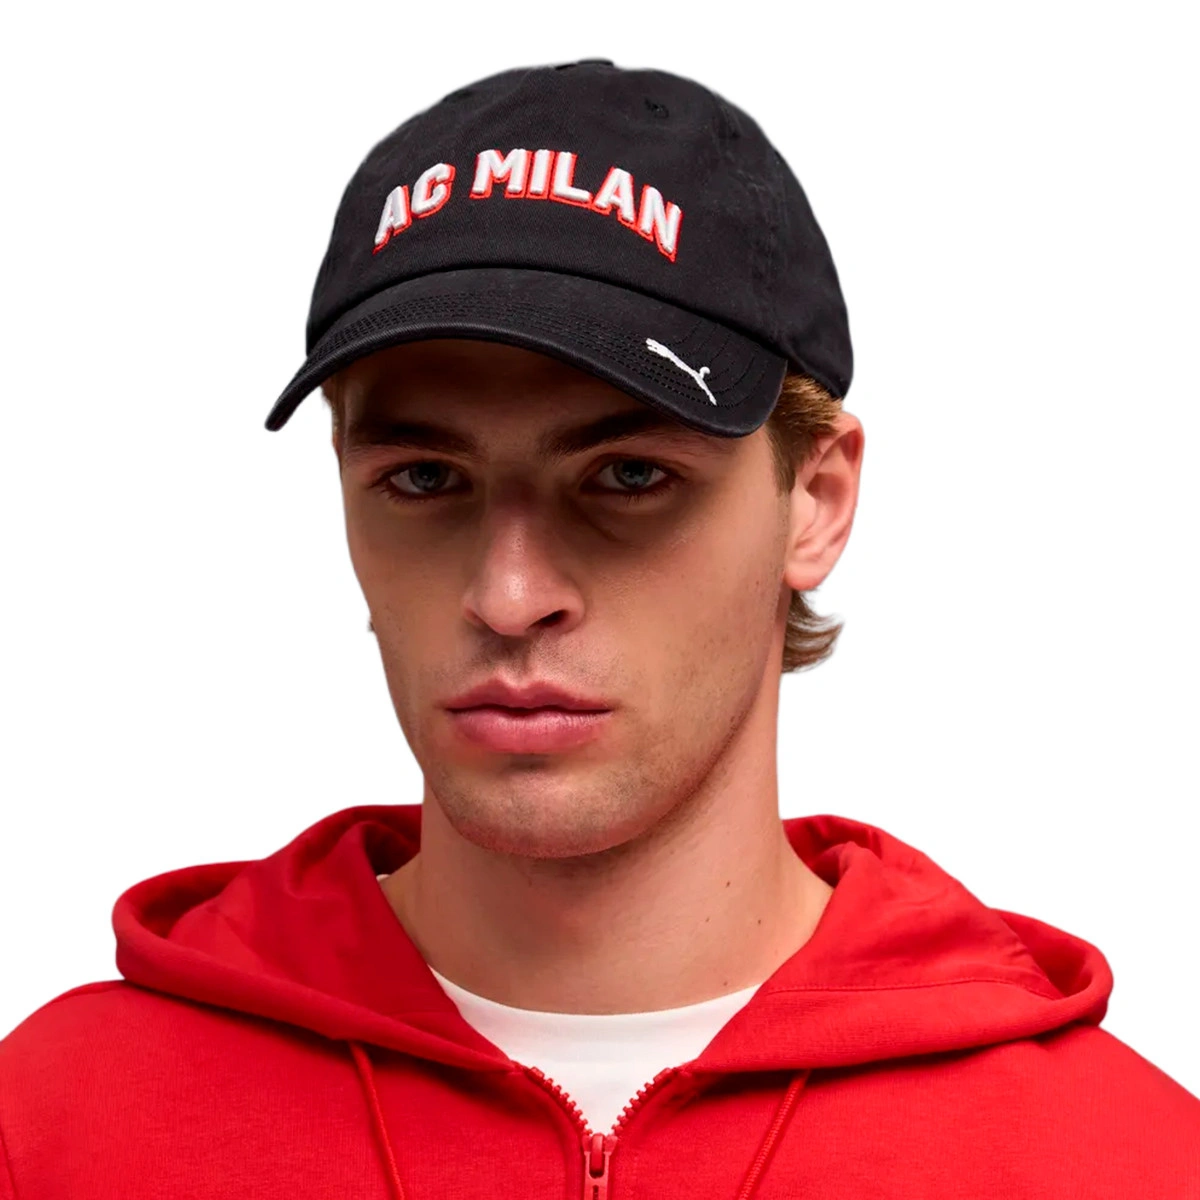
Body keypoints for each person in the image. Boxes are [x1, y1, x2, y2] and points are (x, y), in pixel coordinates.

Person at [1, 57, 1196, 1200]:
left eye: (628, 477)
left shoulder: (1128, 1164)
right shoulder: (49, 1131)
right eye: (424, 479)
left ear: (816, 503)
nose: (509, 595)